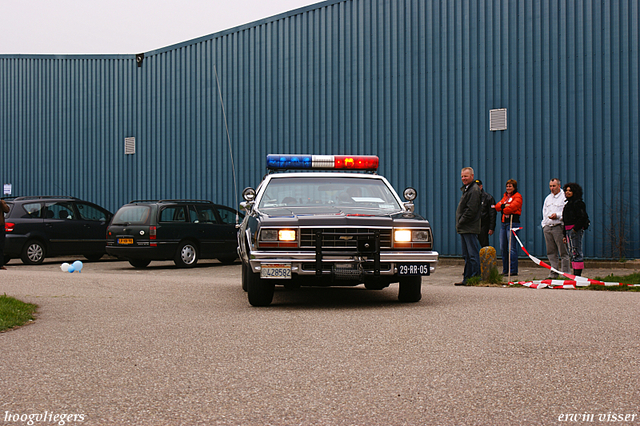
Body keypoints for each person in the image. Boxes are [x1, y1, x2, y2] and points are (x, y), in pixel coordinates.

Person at [455, 167, 482, 286]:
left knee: (472, 254)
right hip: (464, 228)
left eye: (466, 176)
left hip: (469, 227)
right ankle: (467, 277)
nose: (463, 179)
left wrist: (461, 221)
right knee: (466, 254)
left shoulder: (474, 190)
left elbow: (471, 210)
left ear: (472, 176)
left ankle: (476, 277)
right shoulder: (467, 189)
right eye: (462, 176)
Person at [541, 178, 570, 278]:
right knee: (551, 252)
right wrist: (544, 225)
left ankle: (566, 273)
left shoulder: (563, 197)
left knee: (563, 251)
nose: (552, 188)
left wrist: (557, 215)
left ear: (559, 186)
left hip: (558, 226)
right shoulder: (548, 198)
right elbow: (544, 212)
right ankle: (553, 272)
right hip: (548, 227)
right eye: (550, 186)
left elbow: (566, 213)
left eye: (554, 186)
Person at [494, 179, 523, 276]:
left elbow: (511, 208)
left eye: (510, 186)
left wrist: (503, 207)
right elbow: (497, 207)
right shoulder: (505, 197)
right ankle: (505, 269)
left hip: (513, 223)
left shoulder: (518, 196)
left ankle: (513, 270)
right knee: (503, 247)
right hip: (504, 223)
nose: (508, 188)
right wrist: (503, 206)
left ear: (514, 187)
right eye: (507, 186)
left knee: (512, 248)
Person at [562, 182, 589, 276]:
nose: (567, 192)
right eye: (566, 190)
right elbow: (565, 221)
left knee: (576, 252)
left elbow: (582, 217)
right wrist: (564, 234)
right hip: (568, 230)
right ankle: (574, 273)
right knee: (571, 252)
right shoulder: (567, 204)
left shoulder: (578, 203)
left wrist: (575, 229)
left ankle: (578, 275)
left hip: (575, 230)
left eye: (570, 191)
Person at [475, 179, 496, 248]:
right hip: (473, 224)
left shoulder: (488, 198)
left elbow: (492, 213)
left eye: (478, 186)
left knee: (484, 244)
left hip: (483, 225)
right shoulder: (471, 197)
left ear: (481, 186)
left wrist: (491, 227)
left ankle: (485, 258)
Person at [1, 199, 9, 270]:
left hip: (1, 227)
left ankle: (0, 264)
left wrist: (2, 203)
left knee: (1, 246)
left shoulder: (1, 203)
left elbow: (7, 210)